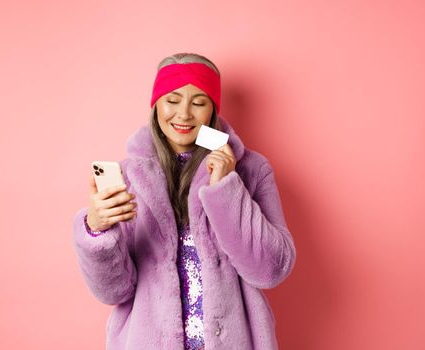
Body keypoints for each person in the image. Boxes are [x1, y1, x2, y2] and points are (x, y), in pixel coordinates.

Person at [72, 52, 296, 350]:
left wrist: (227, 187)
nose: (184, 114)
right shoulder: (129, 176)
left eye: (199, 102)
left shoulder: (251, 171)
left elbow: (270, 270)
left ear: (213, 112)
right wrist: (97, 231)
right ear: (156, 106)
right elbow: (113, 291)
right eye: (172, 100)